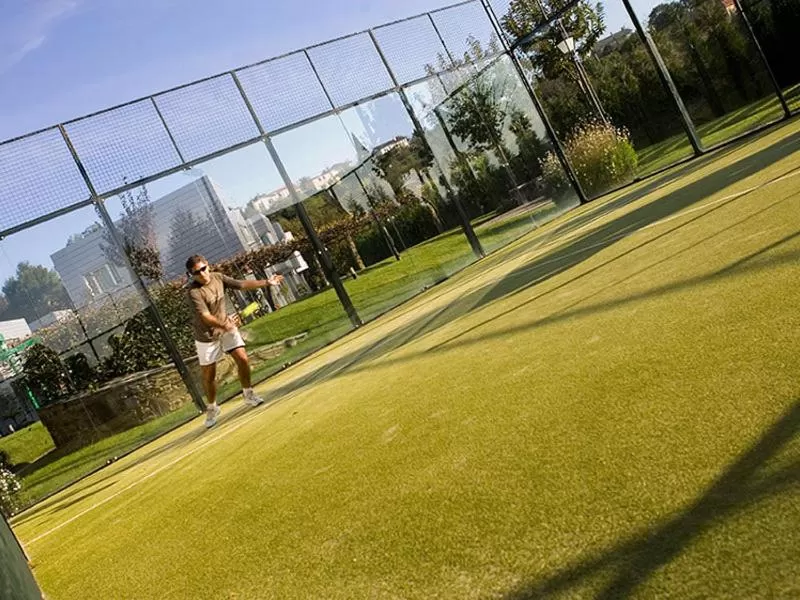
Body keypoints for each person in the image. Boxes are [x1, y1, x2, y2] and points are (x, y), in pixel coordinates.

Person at [185, 255, 284, 428]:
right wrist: (224, 325)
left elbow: (240, 284)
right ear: (191, 275)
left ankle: (248, 394)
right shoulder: (194, 292)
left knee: (243, 359)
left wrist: (267, 282)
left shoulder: (218, 277)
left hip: (227, 328)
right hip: (206, 337)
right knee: (209, 376)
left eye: (203, 269)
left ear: (208, 265)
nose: (202, 274)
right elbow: (205, 317)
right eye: (196, 272)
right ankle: (213, 407)